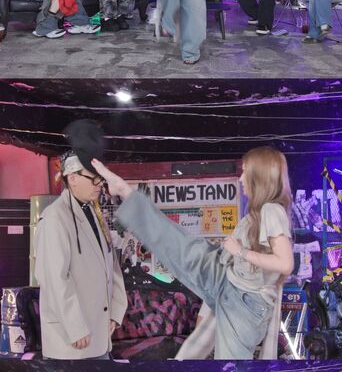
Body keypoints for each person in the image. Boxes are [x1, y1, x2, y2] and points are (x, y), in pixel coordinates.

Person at [89, 148, 294, 360]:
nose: (241, 179)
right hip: (229, 278)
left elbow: (285, 264)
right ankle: (125, 191)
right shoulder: (262, 211)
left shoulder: (271, 210)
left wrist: (240, 251)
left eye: (245, 172)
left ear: (259, 177)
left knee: (232, 366)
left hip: (243, 297)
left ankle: (125, 192)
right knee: (180, 244)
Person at [34, 148, 128, 360]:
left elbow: (111, 264)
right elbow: (54, 277)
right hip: (72, 341)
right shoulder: (55, 218)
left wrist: (116, 310)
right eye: (93, 178)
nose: (99, 184)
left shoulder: (94, 212)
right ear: (73, 178)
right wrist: (75, 327)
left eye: (100, 179)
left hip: (99, 334)